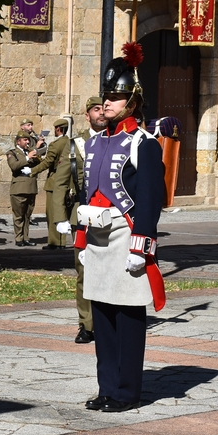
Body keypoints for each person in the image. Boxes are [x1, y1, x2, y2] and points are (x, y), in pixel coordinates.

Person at [75, 45, 166, 413]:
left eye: (115, 97)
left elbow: (149, 199)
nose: (107, 103)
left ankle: (127, 392)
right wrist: (81, 240)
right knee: (102, 318)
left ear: (132, 102)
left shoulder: (144, 144)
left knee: (127, 319)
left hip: (126, 237)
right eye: (106, 96)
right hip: (97, 237)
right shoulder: (94, 142)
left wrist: (141, 247)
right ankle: (107, 388)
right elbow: (85, 193)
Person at [68, 96, 106, 344]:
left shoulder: (118, 140)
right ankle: (87, 324)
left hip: (110, 215)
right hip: (82, 215)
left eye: (104, 108)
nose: (101, 113)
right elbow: (63, 180)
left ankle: (107, 321)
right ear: (87, 115)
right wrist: (59, 218)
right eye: (95, 109)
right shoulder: (75, 144)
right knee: (84, 272)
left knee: (108, 270)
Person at [31, 119, 73, 250]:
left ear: (58, 129)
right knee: (63, 210)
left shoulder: (55, 144)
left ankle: (55, 242)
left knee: (53, 212)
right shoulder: (70, 142)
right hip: (68, 180)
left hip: (55, 180)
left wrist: (32, 171)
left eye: (55, 128)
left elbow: (48, 162)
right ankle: (62, 241)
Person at [5, 130, 39, 246]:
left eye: (28, 140)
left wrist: (37, 154)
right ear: (18, 142)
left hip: (31, 187)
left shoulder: (30, 152)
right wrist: (27, 158)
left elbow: (39, 165)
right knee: (18, 215)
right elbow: (14, 166)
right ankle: (19, 238)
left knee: (27, 215)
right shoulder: (12, 153)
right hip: (19, 188)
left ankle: (26, 237)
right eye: (25, 140)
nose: (27, 142)